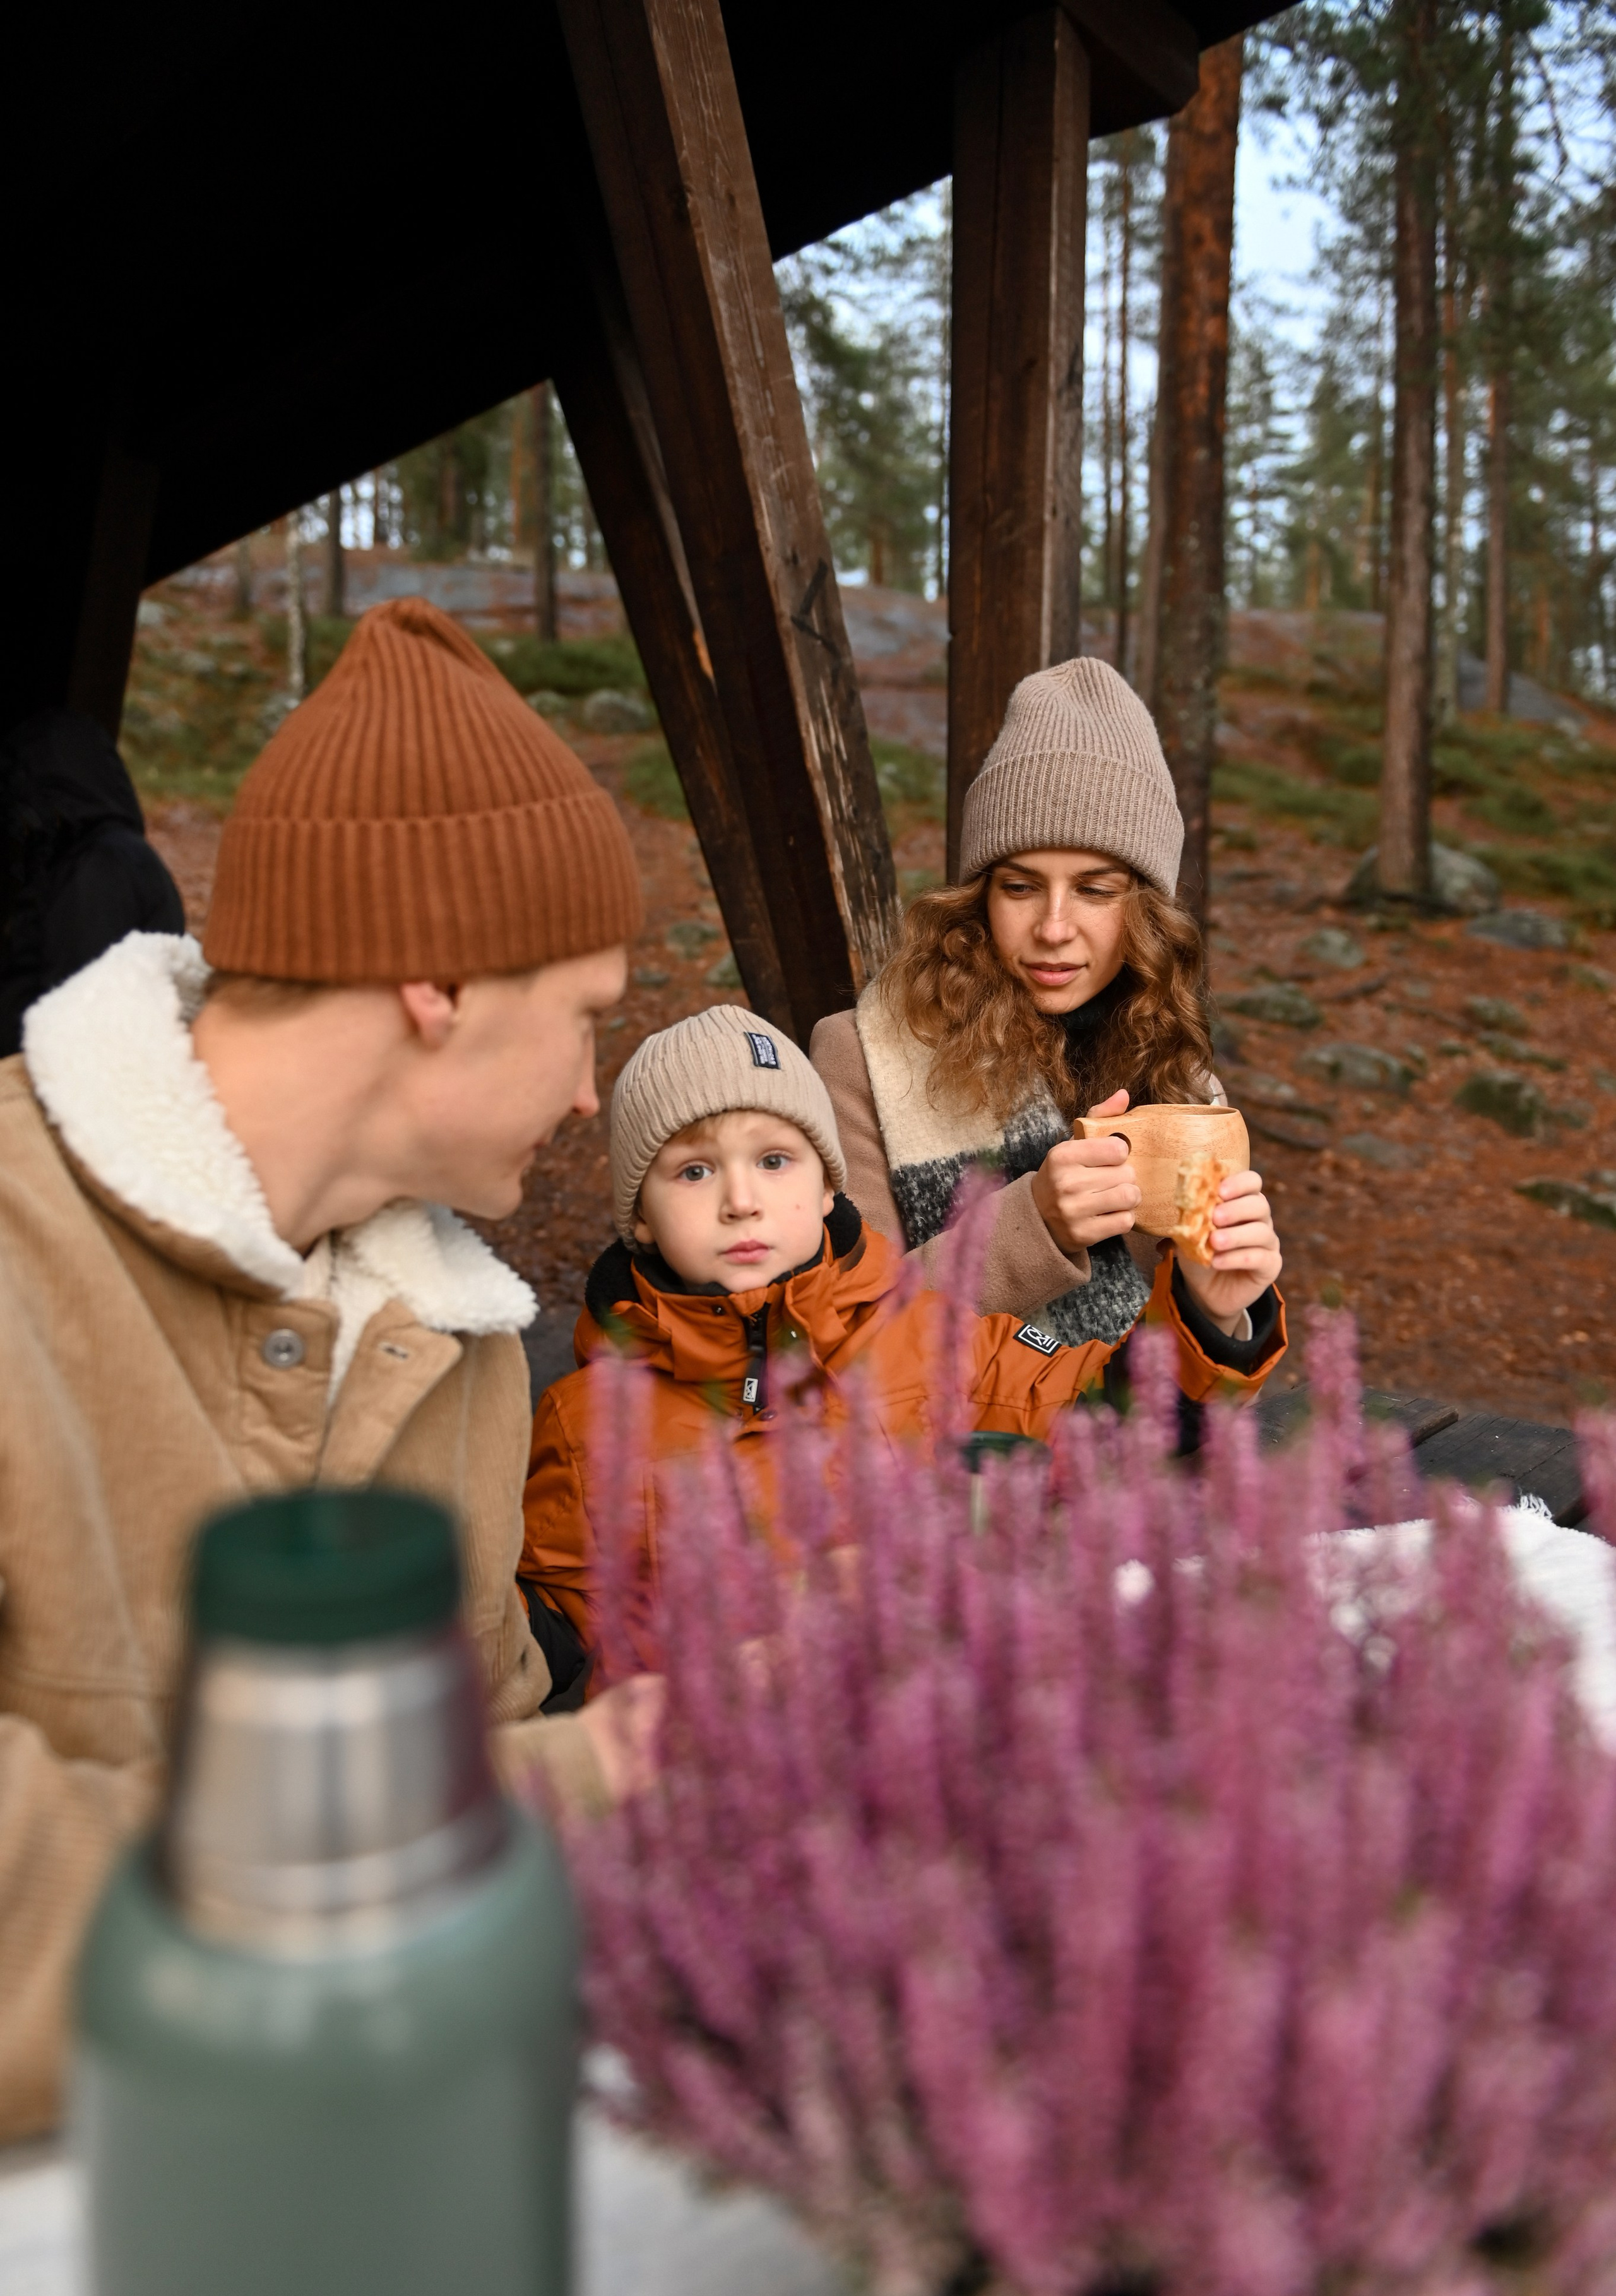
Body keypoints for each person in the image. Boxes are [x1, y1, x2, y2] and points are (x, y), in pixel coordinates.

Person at [0, 596, 649, 2141]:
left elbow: (480, 1777)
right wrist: (587, 1793)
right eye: (580, 1020)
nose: (584, 1093)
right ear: (435, 977)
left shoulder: (468, 1356)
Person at [519, 1004, 1284, 1684]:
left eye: (774, 1159)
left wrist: (1208, 1314)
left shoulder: (931, 1339)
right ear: (640, 1218)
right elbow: (547, 1661)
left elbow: (1124, 1422)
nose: (741, 1199)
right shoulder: (585, 1426)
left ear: (827, 1188)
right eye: (693, 1169)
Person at [810, 657, 1283, 1366]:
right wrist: (1035, 1227)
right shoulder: (862, 1057)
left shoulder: (1175, 1074)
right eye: (1022, 887)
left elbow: (1174, 1405)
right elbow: (842, 1338)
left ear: (1149, 912)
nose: (1054, 927)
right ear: (977, 897)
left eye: (1095, 890)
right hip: (935, 1465)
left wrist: (1213, 1313)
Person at [0, 708, 186, 1056]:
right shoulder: (109, 857)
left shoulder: (102, 867)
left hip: (47, 1080)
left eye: (16, 779)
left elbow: (78, 1003)